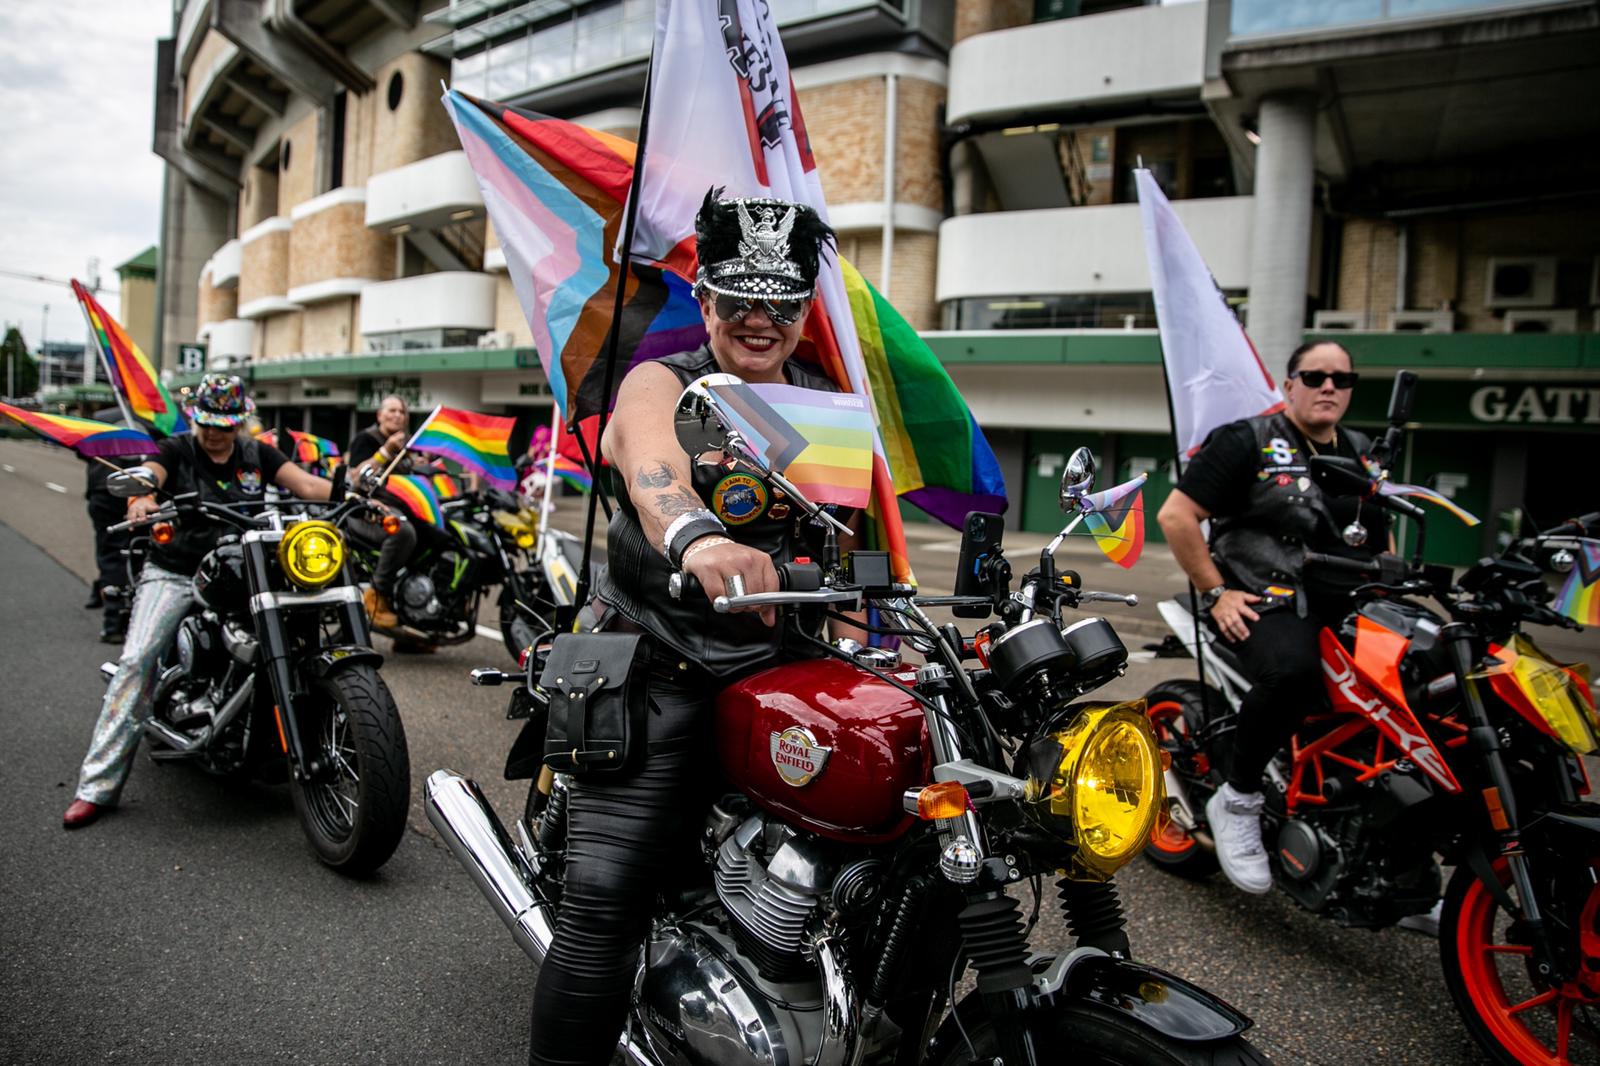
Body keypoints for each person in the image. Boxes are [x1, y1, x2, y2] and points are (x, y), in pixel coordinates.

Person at [526, 190, 857, 1066]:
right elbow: (650, 467)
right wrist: (698, 535)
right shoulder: (660, 380)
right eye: (738, 300)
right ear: (705, 301)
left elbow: (843, 545)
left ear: (800, 314)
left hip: (781, 672)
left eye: (779, 304)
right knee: (602, 908)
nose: (758, 320)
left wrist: (874, 606)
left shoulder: (825, 405)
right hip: (659, 668)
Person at [1157, 341, 1387, 894]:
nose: (1328, 386)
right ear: (1290, 385)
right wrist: (1218, 592)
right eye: (1314, 376)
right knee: (1295, 674)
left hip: (1348, 603)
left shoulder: (1363, 451)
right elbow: (1177, 515)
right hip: (1264, 599)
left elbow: (1380, 533)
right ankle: (1237, 798)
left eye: (1341, 377)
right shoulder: (1248, 440)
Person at [62, 374, 335, 830]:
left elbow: (306, 486)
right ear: (196, 418)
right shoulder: (176, 450)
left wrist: (367, 495)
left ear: (239, 423)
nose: (215, 432)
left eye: (225, 424)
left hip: (243, 569)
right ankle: (96, 787)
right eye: (208, 421)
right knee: (137, 660)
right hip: (177, 569)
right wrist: (142, 497)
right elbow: (152, 475)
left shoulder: (257, 454)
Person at [346, 394, 423, 627]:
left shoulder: (408, 447)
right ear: (380, 415)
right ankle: (376, 597)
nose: (398, 415)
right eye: (392, 411)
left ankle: (418, 617)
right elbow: (356, 478)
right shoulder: (367, 439)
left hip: (403, 508)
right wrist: (386, 450)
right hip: (367, 512)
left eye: (402, 412)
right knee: (403, 532)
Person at [82, 409, 136, 642]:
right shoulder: (150, 418)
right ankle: (110, 605)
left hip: (106, 491)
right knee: (132, 551)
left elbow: (84, 452)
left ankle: (113, 622)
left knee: (110, 551)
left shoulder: (102, 417)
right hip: (135, 491)